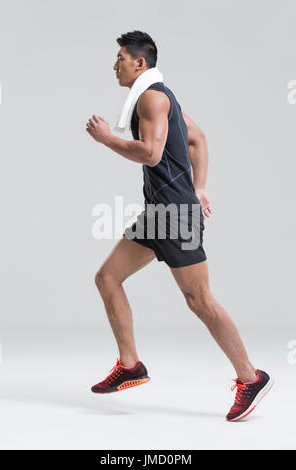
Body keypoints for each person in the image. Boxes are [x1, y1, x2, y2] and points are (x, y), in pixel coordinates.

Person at [86, 31, 273, 422]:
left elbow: (152, 154)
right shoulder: (157, 96)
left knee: (199, 300)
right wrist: (199, 187)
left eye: (120, 58)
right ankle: (131, 366)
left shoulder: (153, 98)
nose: (114, 65)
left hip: (174, 213)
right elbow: (198, 139)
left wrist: (106, 139)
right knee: (107, 278)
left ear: (140, 63)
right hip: (158, 212)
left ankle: (250, 377)